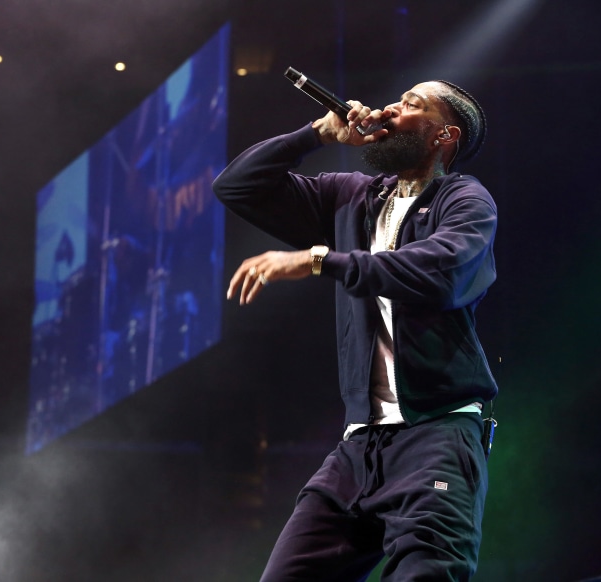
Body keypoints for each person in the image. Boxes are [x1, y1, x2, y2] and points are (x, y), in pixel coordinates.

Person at [212, 79, 498, 581]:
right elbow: (237, 186)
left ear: (443, 135)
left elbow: (441, 271)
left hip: (438, 430)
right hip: (359, 442)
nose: (391, 107)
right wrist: (316, 136)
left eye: (412, 105)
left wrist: (321, 260)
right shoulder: (354, 196)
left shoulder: (464, 199)